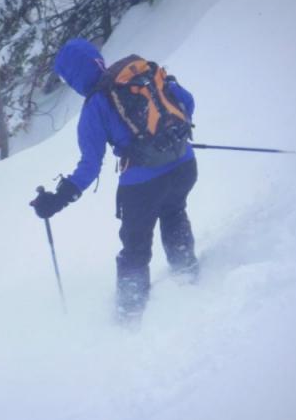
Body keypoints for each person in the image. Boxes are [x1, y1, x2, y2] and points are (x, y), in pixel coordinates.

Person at [30, 38, 199, 320]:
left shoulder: (96, 106)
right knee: (174, 213)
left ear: (73, 77)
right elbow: (187, 102)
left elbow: (90, 166)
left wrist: (57, 199)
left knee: (135, 246)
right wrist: (169, 138)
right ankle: (189, 278)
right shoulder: (142, 77)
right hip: (184, 165)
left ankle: (130, 314)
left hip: (143, 186)